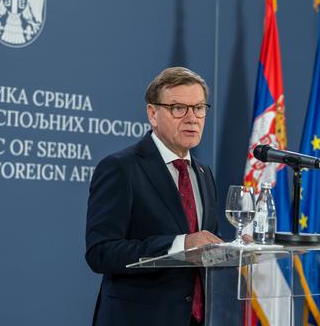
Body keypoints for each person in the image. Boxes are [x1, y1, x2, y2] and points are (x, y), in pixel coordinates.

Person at [85, 67, 222, 326]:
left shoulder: (204, 173)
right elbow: (101, 253)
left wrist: (235, 249)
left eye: (199, 108)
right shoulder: (121, 168)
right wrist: (180, 244)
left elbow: (204, 246)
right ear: (152, 114)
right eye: (178, 108)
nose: (192, 118)